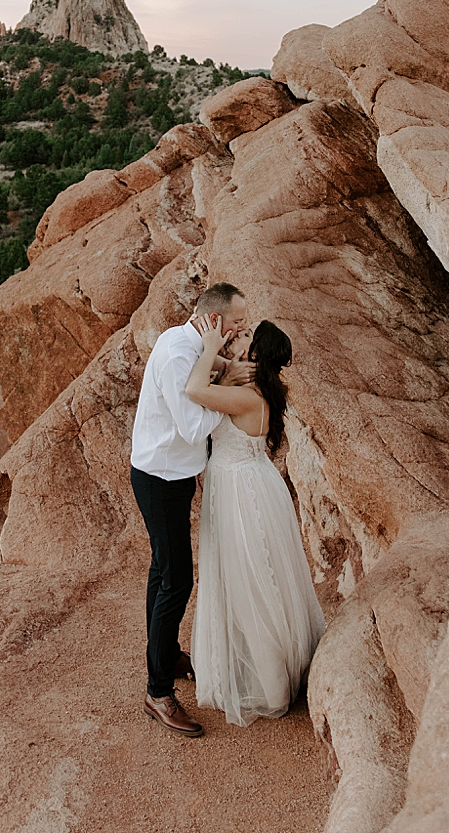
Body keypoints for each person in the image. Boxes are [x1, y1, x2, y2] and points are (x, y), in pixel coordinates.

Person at [183, 317, 326, 725]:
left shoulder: (246, 397)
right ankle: (277, 669)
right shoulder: (259, 390)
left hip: (238, 492)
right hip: (256, 483)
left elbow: (194, 390)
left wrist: (211, 346)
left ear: (255, 355)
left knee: (251, 585)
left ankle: (275, 688)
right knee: (268, 578)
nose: (239, 335)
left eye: (247, 336)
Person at [130, 282, 252, 737]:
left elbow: (210, 367)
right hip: (161, 478)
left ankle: (165, 656)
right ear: (215, 321)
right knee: (177, 579)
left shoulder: (185, 341)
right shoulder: (178, 354)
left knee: (162, 569)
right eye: (237, 321)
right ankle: (158, 692)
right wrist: (230, 393)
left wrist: (223, 366)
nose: (241, 327)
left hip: (170, 475)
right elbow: (193, 428)